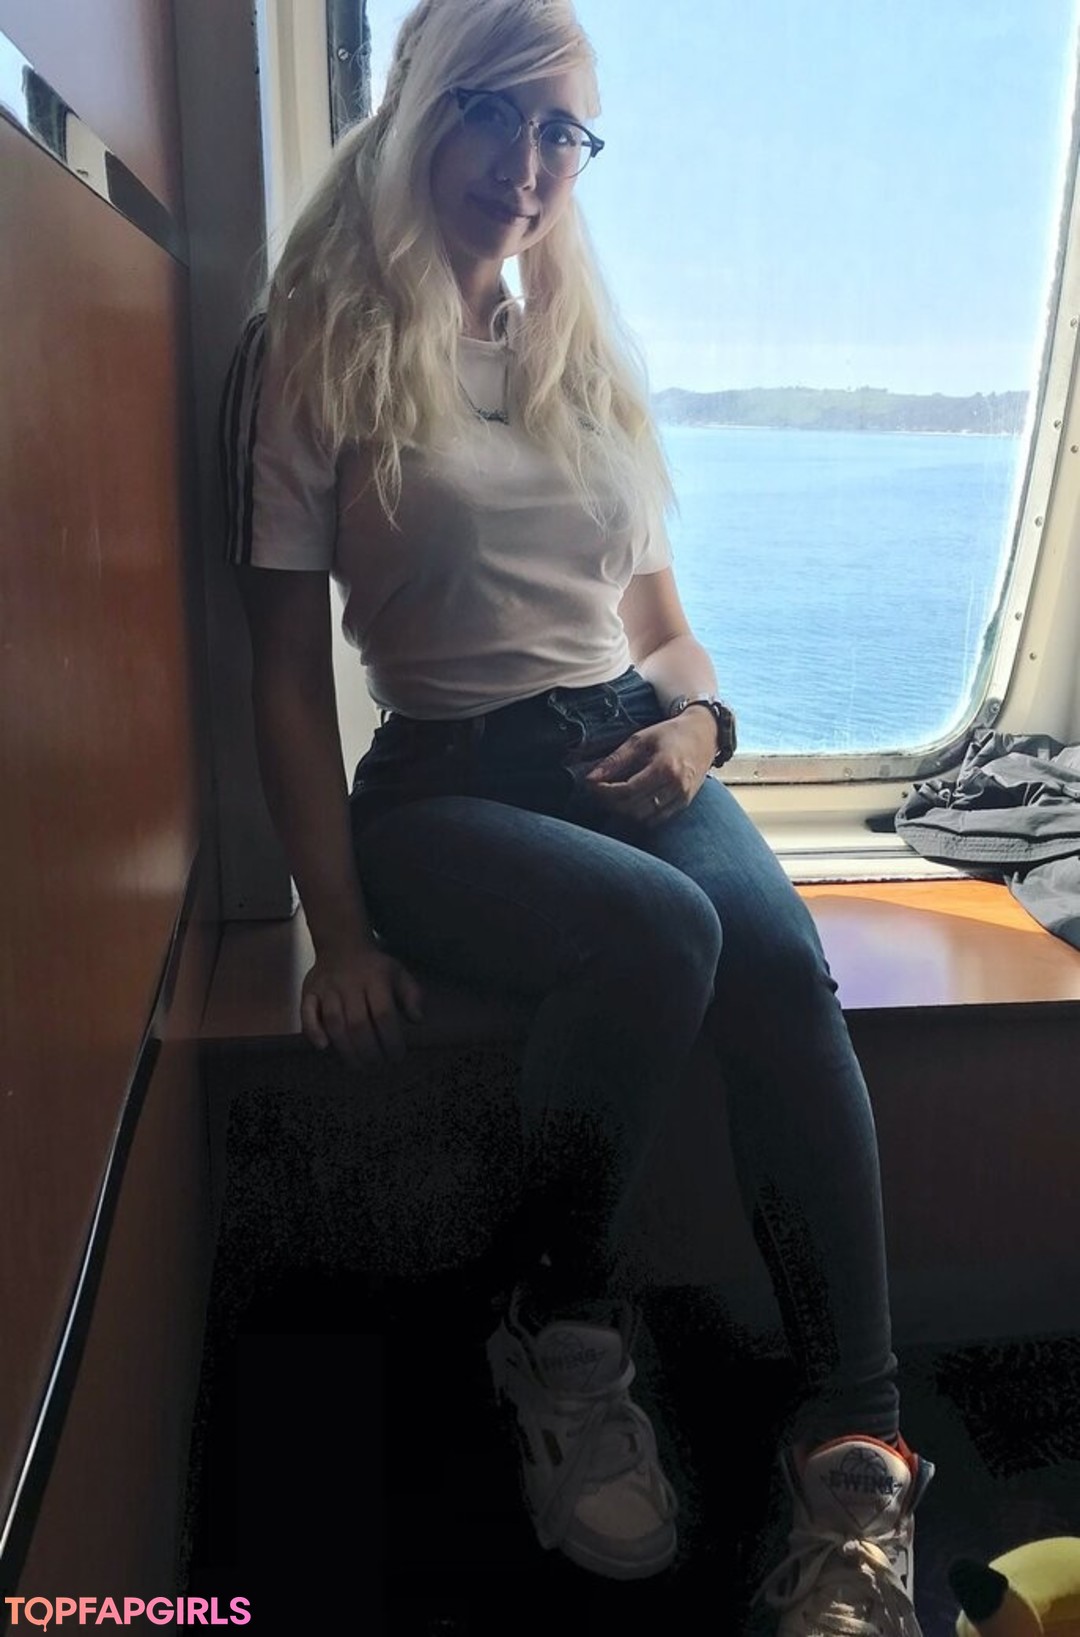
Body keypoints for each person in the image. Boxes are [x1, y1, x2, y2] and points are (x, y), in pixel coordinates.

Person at [221, 0, 934, 1628]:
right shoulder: (312, 347)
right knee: (661, 931)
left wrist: (701, 724)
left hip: (630, 744)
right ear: (421, 105)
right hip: (444, 784)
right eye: (497, 113)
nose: (528, 164)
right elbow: (282, 676)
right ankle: (559, 1326)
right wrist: (339, 932)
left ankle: (860, 1456)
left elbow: (663, 628)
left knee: (781, 962)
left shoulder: (580, 350)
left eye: (563, 133)